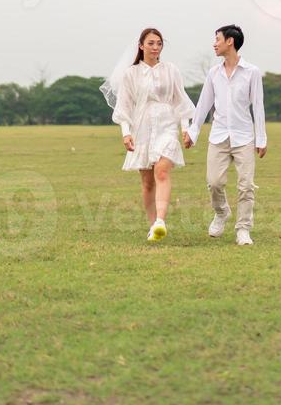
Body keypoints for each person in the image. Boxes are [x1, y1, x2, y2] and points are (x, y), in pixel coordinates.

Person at [101, 28, 194, 243]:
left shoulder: (171, 70)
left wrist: (185, 128)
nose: (155, 47)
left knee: (161, 171)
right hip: (141, 126)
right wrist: (126, 133)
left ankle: (161, 221)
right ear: (141, 46)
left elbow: (180, 101)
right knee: (147, 182)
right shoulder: (130, 74)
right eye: (151, 43)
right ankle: (153, 226)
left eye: (159, 43)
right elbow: (124, 106)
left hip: (167, 124)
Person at [183, 24, 267, 246]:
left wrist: (261, 139)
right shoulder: (214, 73)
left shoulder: (252, 72)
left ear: (230, 41)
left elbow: (258, 107)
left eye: (217, 39)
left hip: (244, 137)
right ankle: (221, 213)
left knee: (246, 185)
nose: (214, 43)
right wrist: (193, 131)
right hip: (218, 135)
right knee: (214, 182)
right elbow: (203, 105)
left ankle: (243, 229)